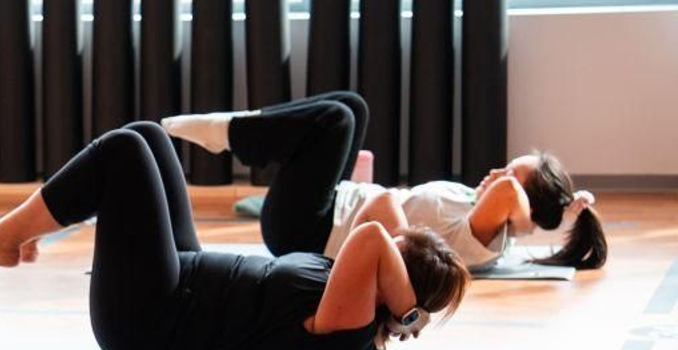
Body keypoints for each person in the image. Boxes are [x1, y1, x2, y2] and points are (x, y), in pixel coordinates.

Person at [0, 120, 471, 350]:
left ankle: (6, 237)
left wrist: (409, 311)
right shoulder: (352, 293)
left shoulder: (351, 333)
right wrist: (411, 275)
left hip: (150, 324)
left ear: (393, 281)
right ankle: (26, 230)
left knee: (123, 153)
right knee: (148, 136)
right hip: (179, 281)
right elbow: (381, 206)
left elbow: (373, 236)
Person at [162, 91, 608, 271]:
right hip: (330, 207)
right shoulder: (475, 204)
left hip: (306, 231)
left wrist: (550, 214)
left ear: (519, 210)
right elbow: (511, 192)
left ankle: (230, 133)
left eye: (509, 173)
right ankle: (241, 129)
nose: (496, 173)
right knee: (353, 107)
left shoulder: (485, 238)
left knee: (336, 120)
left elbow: (512, 197)